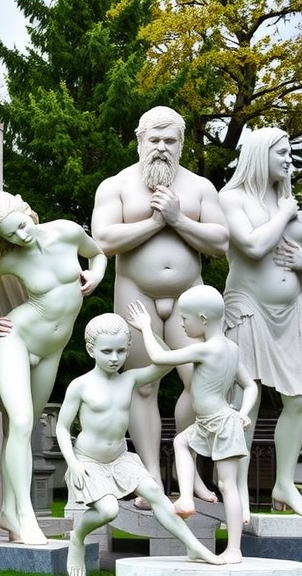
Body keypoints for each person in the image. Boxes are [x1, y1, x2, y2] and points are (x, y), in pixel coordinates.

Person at [91, 107, 229, 506]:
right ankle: (151, 475)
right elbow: (103, 238)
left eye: (170, 141)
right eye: (154, 140)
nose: (162, 148)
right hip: (137, 295)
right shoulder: (116, 186)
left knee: (200, 385)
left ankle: (190, 474)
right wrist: (156, 222)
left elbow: (220, 243)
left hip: (191, 296)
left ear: (182, 144)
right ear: (140, 142)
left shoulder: (200, 187)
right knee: (143, 384)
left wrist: (178, 218)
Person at [0, 191, 106, 545]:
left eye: (22, 227)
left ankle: (8, 512)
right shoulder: (9, 259)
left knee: (22, 430)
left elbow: (98, 252)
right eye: (11, 235)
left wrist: (97, 275)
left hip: (52, 348)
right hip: (15, 338)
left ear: (28, 211)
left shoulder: (67, 232)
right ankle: (26, 516)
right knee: (24, 422)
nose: (22, 237)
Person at [57, 313, 225, 576]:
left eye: (121, 350)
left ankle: (193, 547)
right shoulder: (81, 386)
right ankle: (77, 538)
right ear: (91, 350)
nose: (114, 358)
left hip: (121, 458)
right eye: (107, 351)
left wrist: (147, 329)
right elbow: (62, 427)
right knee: (108, 510)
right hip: (89, 461)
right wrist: (74, 463)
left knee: (156, 493)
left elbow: (167, 360)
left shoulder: (129, 379)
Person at [131, 286, 257, 563]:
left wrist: (146, 328)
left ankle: (234, 548)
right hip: (208, 422)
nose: (181, 323)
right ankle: (186, 497)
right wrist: (244, 411)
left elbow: (159, 358)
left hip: (222, 423)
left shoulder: (204, 349)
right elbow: (249, 387)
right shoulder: (231, 348)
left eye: (184, 318)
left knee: (227, 485)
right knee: (181, 441)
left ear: (203, 319)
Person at [218, 127, 302, 515]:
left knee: (298, 399)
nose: (289, 159)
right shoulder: (230, 197)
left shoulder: (290, 200)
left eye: (290, 153)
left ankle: (284, 483)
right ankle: (236, 493)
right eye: (281, 153)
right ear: (258, 154)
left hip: (290, 312)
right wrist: (284, 214)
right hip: (247, 306)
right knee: (244, 402)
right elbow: (251, 246)